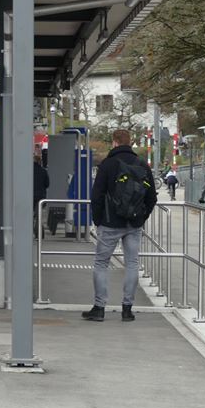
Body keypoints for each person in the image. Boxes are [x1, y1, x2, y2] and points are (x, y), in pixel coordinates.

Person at [83, 129, 157, 322]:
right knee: (132, 264)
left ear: (114, 142)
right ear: (130, 142)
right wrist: (142, 217)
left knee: (101, 263)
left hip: (109, 222)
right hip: (134, 224)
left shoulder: (107, 164)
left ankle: (99, 308)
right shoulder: (142, 164)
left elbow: (97, 195)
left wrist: (98, 220)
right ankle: (127, 309)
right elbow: (152, 197)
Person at [32, 154, 50, 234]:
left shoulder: (28, 170)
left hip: (30, 196)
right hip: (40, 196)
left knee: (29, 214)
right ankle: (39, 233)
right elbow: (47, 184)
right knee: (38, 215)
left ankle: (29, 230)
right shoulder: (43, 171)